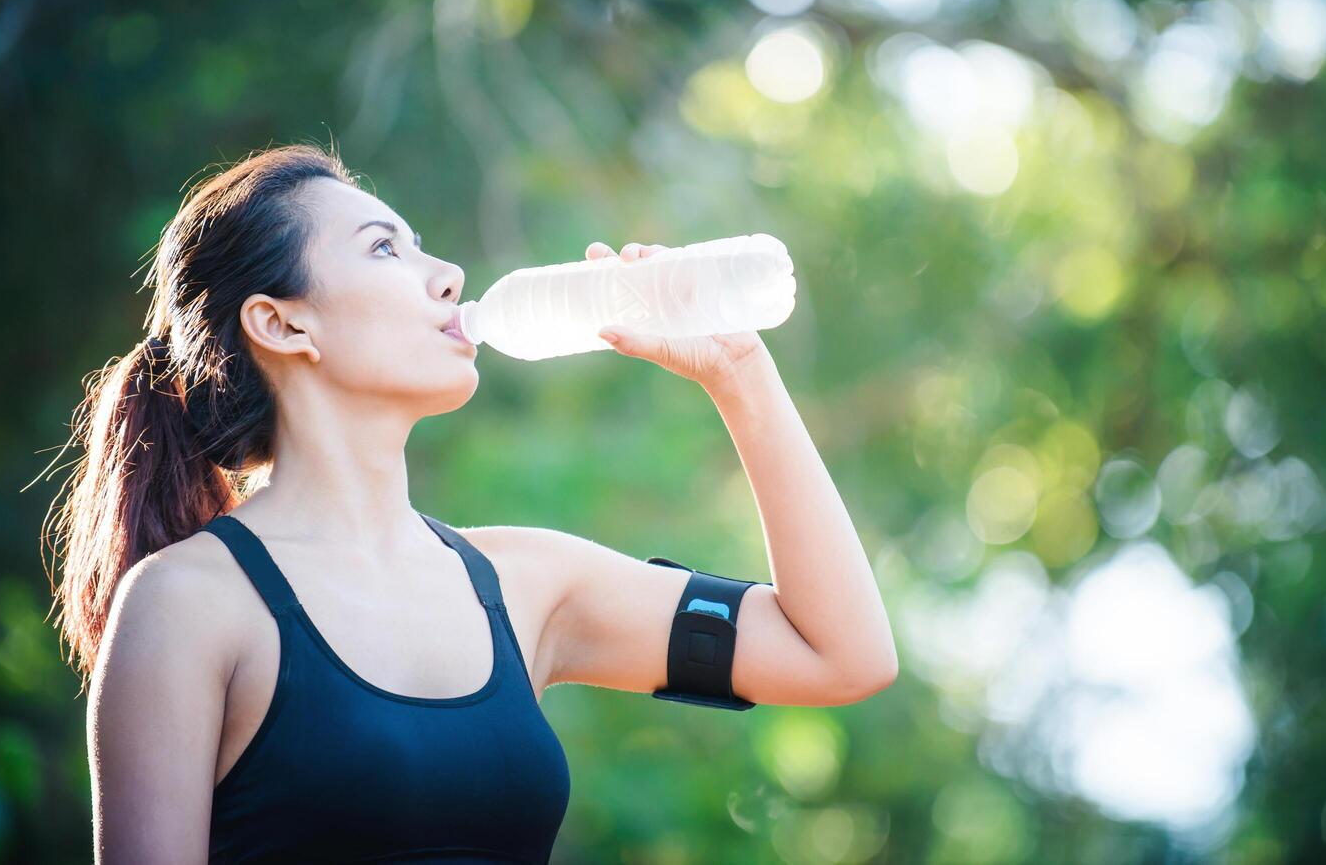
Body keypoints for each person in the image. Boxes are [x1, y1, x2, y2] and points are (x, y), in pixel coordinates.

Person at [45, 141, 898, 864]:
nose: (447, 274)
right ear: (282, 323)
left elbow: (839, 656)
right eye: (385, 249)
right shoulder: (185, 601)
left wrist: (740, 374)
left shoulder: (527, 582)